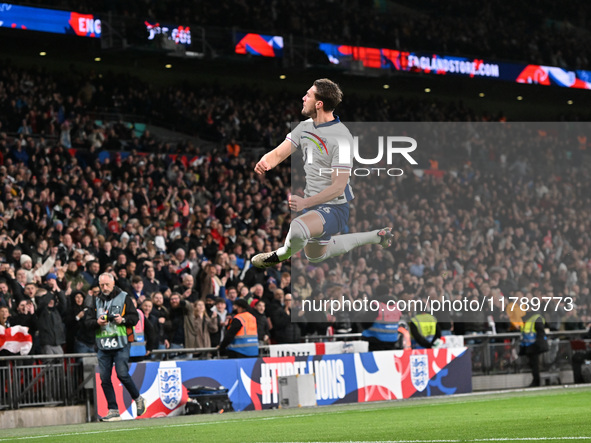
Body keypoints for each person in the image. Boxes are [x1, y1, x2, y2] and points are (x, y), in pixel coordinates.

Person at [251, 79, 392, 269]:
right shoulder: (304, 127)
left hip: (334, 208)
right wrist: (265, 161)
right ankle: (376, 236)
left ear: (319, 104)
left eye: (308, 95)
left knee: (298, 231)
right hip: (313, 205)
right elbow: (278, 153)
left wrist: (304, 203)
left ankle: (280, 255)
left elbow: (338, 187)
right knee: (315, 257)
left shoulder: (341, 138)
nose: (303, 97)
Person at [85, 273, 146, 421]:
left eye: (107, 284)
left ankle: (138, 398)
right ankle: (113, 410)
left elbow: (135, 318)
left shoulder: (124, 297)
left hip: (121, 343)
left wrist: (123, 319)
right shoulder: (95, 300)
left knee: (122, 374)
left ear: (113, 283)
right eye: (101, 285)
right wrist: (97, 323)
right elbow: (87, 322)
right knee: (104, 378)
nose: (104, 288)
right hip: (103, 345)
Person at [361, 285, 401, 351]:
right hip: (393, 339)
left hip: (376, 341)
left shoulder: (376, 305)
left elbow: (365, 323)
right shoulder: (397, 305)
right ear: (388, 293)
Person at [519, 310, 548, 387]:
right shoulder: (528, 318)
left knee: (535, 365)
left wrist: (538, 344)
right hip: (529, 345)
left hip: (534, 346)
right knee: (533, 364)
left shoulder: (535, 318)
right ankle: (536, 380)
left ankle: (536, 381)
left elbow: (540, 332)